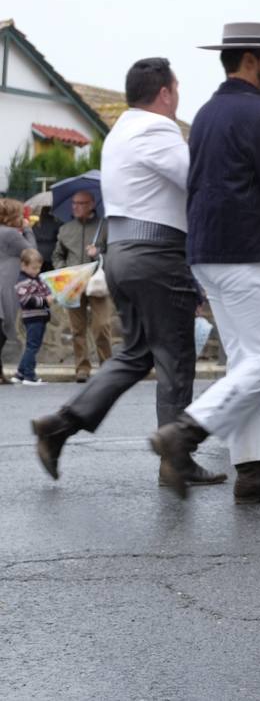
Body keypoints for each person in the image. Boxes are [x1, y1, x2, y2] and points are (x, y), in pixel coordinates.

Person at [30, 58, 224, 485]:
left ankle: (59, 426)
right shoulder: (156, 129)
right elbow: (197, 179)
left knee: (136, 354)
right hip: (157, 253)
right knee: (175, 356)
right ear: (166, 93)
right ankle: (177, 459)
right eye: (177, 89)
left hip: (124, 252)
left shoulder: (121, 131)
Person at [149, 23, 260, 503]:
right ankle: (188, 431)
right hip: (243, 250)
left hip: (207, 250)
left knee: (246, 362)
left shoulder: (206, 113)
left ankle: (252, 471)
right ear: (249, 60)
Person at [53, 190, 112, 382]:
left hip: (97, 283)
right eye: (74, 203)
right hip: (72, 284)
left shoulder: (105, 227)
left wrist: (99, 254)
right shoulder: (65, 229)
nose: (76, 207)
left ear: (91, 204)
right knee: (77, 329)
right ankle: (82, 369)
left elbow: (115, 254)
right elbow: (57, 255)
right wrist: (64, 270)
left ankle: (107, 367)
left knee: (102, 326)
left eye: (81, 203)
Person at [0, 198, 37, 384]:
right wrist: (28, 229)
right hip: (5, 285)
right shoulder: (10, 234)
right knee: (4, 329)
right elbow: (32, 254)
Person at [14, 248, 51, 386]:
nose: (37, 271)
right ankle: (29, 375)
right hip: (33, 317)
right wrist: (45, 301)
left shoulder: (35, 279)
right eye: (34, 268)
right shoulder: (23, 281)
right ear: (23, 265)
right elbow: (26, 300)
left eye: (39, 268)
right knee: (32, 346)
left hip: (40, 316)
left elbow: (44, 289)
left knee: (32, 346)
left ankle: (20, 373)